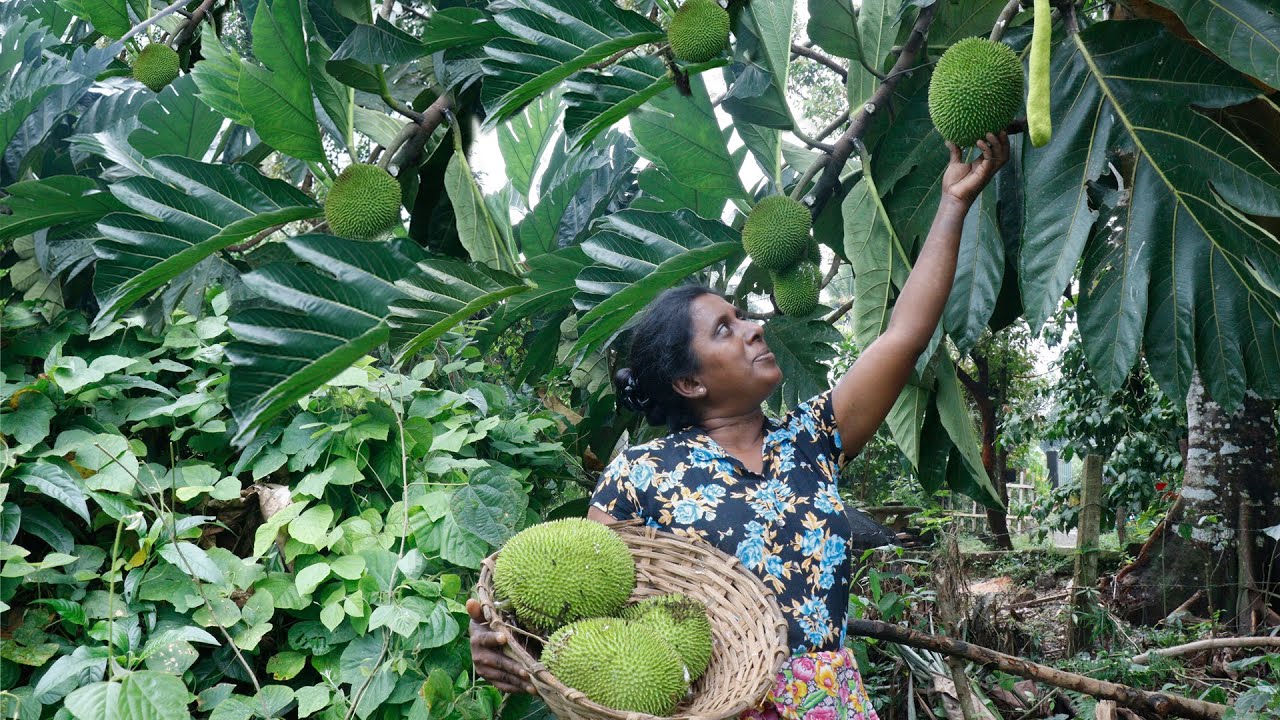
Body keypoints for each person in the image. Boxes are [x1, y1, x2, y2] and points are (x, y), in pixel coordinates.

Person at [466, 132, 1011, 719]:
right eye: (725, 329)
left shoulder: (812, 439)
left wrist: (953, 203)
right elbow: (583, 610)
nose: (753, 327)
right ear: (689, 383)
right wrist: (502, 641)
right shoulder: (640, 476)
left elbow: (904, 335)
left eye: (741, 316)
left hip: (826, 704)